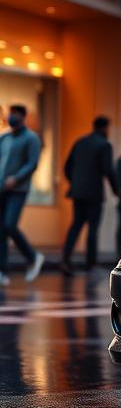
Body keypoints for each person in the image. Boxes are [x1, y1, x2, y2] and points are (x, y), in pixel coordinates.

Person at [62, 115, 119, 275]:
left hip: (77, 192)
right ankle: (91, 264)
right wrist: (116, 190)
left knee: (75, 226)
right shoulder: (104, 145)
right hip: (93, 193)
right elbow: (108, 170)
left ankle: (65, 259)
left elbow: (67, 166)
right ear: (104, 128)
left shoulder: (79, 142)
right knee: (92, 229)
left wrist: (75, 182)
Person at [0, 104, 45, 286]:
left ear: (23, 116)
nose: (12, 117)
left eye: (16, 114)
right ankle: (2, 271)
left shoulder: (31, 138)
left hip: (18, 190)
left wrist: (16, 178)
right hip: (2, 188)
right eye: (11, 113)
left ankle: (33, 256)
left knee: (10, 225)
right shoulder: (4, 138)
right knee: (0, 230)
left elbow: (32, 163)